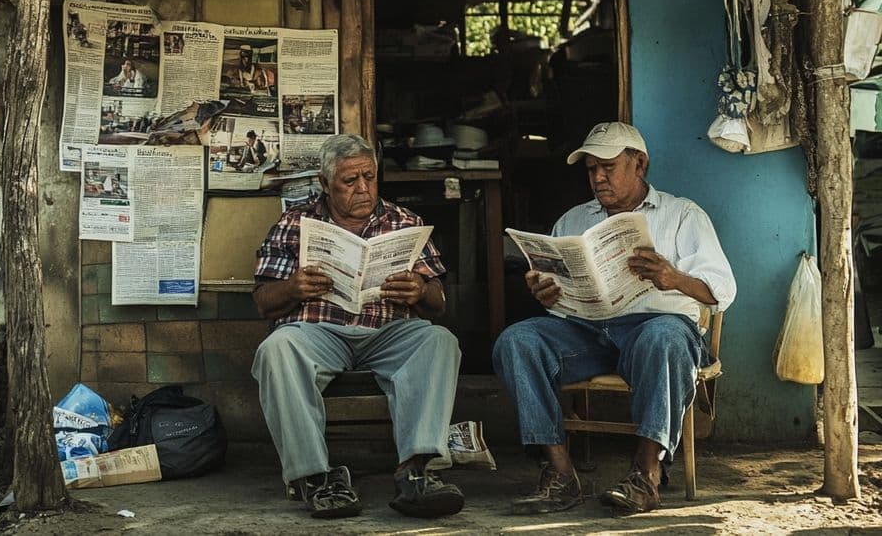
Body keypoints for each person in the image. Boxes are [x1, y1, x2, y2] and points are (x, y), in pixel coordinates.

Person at [492, 122, 737, 515]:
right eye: (591, 169)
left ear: (639, 164)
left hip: (656, 330)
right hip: (586, 330)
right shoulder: (573, 220)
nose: (598, 178)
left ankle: (646, 475)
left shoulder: (682, 215)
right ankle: (560, 474)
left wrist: (670, 276)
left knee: (666, 338)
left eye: (608, 167)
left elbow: (721, 291)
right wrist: (546, 293)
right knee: (516, 340)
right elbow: (557, 304)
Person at [252, 134, 465, 520]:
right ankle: (316, 479)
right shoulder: (294, 222)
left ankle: (416, 471)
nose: (363, 188)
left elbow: (440, 304)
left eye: (370, 177)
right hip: (318, 332)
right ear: (324, 183)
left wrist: (420, 290)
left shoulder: (404, 222)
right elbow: (263, 301)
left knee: (439, 341)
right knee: (276, 349)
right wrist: (292, 287)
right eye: (350, 181)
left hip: (387, 332)